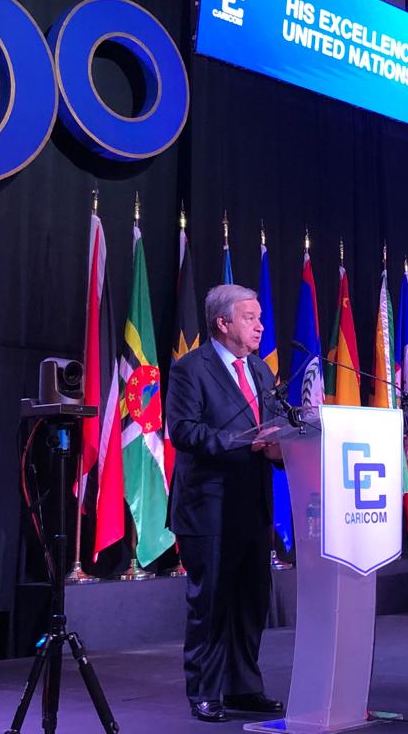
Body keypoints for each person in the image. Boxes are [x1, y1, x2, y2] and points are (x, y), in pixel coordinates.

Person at [167, 284, 285, 722]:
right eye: (250, 318)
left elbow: (272, 430)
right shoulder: (189, 370)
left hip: (251, 505)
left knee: (251, 600)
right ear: (223, 323)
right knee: (211, 604)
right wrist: (244, 441)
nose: (259, 325)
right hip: (207, 507)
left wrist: (283, 447)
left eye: (259, 318)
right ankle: (205, 690)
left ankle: (243, 688)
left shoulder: (261, 372)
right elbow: (183, 431)